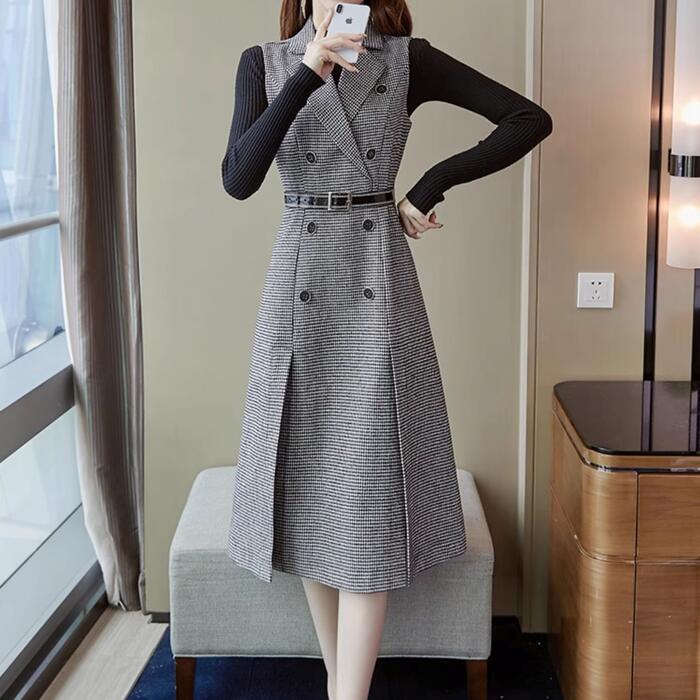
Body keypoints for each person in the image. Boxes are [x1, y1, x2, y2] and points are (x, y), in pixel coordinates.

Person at [221, 2, 553, 699]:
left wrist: (428, 188)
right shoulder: (263, 63)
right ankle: (341, 686)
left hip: (376, 274)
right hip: (299, 278)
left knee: (367, 496)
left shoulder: (408, 59)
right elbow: (239, 178)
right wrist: (306, 73)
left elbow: (528, 119)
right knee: (309, 490)